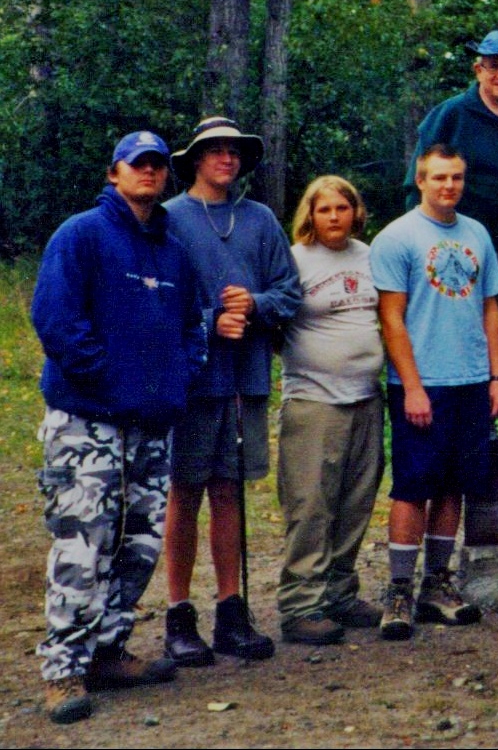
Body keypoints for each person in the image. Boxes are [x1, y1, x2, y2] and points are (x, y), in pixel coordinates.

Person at [31, 132, 206, 723]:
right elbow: (56, 321)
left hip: (153, 424)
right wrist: (108, 382)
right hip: (89, 420)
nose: (150, 173)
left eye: (158, 165)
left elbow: (193, 327)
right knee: (86, 542)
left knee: (140, 541)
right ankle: (64, 668)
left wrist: (176, 382)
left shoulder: (173, 250)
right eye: (139, 164)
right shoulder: (80, 235)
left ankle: (109, 649)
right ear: (115, 173)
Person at [161, 118, 302, 666]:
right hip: (191, 381)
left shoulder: (261, 219)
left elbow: (289, 291)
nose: (226, 159)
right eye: (214, 151)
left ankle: (230, 610)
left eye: (234, 151)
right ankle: (178, 614)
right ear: (195, 160)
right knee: (184, 491)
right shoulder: (169, 219)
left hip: (245, 378)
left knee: (229, 491)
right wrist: (211, 317)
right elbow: (156, 300)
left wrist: (255, 305)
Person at [370, 144, 498, 640]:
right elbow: (391, 317)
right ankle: (400, 589)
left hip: (471, 380)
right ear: (421, 181)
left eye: (456, 178)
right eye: (439, 178)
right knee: (413, 485)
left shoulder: (477, 234)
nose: (448, 186)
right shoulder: (397, 238)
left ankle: (438, 583)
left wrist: (497, 375)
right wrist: (411, 386)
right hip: (422, 384)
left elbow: (491, 307)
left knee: (453, 484)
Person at [276, 176, 386, 645]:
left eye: (343, 207)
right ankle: (301, 605)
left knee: (356, 500)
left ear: (355, 212)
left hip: (366, 395)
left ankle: (340, 593)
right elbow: (272, 316)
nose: (335, 216)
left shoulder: (369, 256)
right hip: (314, 398)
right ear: (310, 216)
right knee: (311, 504)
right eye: (325, 210)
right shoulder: (294, 260)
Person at [409, 30, 498, 275]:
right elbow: (416, 185)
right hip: (463, 247)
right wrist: (419, 243)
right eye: (493, 67)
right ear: (478, 70)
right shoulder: (450, 115)